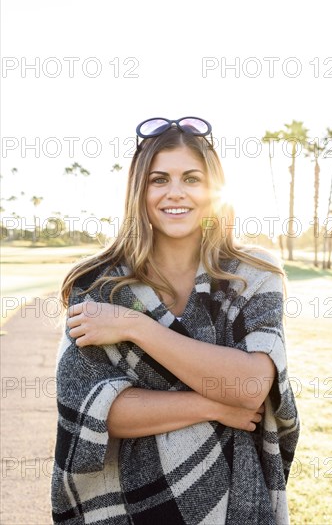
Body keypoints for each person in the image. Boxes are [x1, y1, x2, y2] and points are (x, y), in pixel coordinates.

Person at [51, 117, 300, 525]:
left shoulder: (255, 274)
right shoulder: (96, 284)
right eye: (159, 179)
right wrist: (214, 405)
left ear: (213, 189)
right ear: (139, 191)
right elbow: (93, 409)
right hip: (128, 503)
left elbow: (251, 386)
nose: (175, 193)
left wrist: (136, 327)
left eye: (192, 178)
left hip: (235, 500)